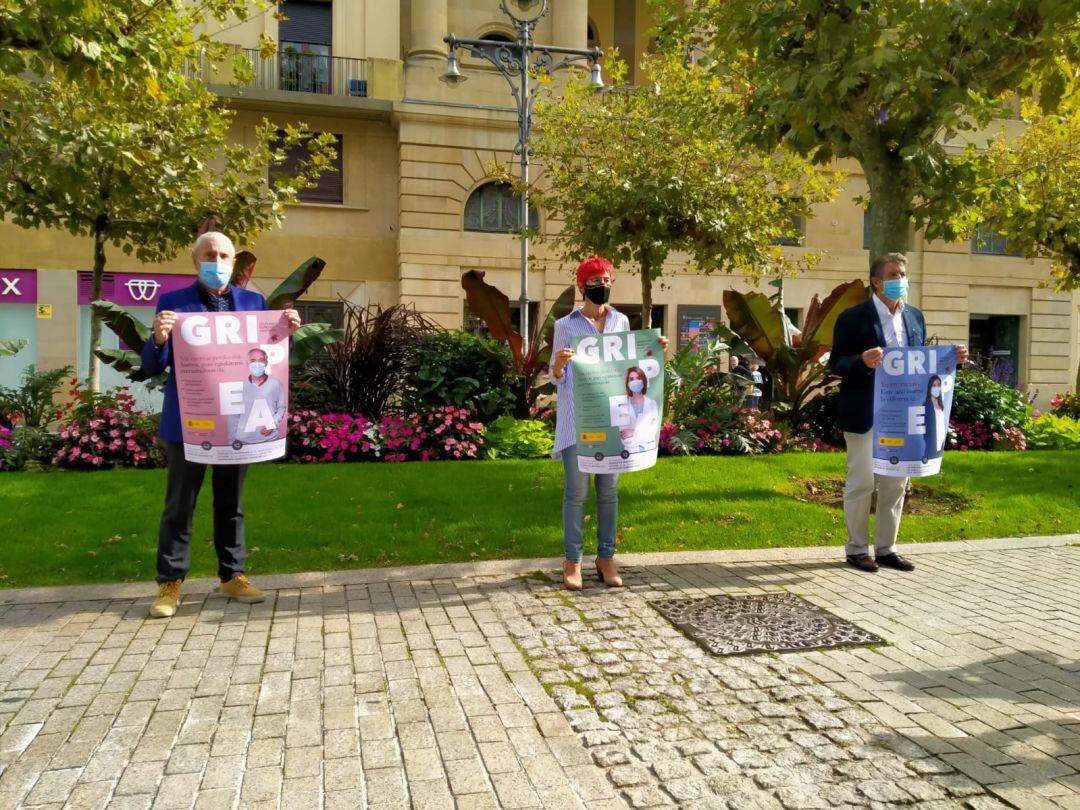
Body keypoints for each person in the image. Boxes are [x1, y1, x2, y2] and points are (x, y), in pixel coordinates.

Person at [140, 231, 302, 618]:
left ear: (234, 262)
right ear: (197, 262)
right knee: (179, 505)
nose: (217, 261)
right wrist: (158, 338)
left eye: (224, 255)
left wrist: (289, 335)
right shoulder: (174, 304)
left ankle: (232, 576)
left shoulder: (254, 302)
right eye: (210, 255)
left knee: (232, 504)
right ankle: (170, 583)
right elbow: (151, 367)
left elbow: (273, 356)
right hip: (188, 422)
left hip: (237, 421)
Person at [829, 252, 967, 573]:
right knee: (862, 481)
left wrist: (952, 358)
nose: (900, 280)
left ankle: (887, 548)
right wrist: (861, 361)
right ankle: (856, 549)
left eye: (903, 274)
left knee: (895, 482)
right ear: (876, 282)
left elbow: (923, 361)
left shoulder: (915, 317)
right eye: (893, 274)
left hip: (904, 414)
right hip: (865, 412)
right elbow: (835, 363)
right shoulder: (853, 317)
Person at [550, 257, 668, 591]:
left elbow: (631, 366)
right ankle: (572, 560)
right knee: (576, 492)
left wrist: (655, 350)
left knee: (608, 492)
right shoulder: (565, 326)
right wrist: (559, 365)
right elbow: (555, 378)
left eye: (606, 279)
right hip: (578, 421)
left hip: (613, 422)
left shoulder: (620, 321)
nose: (601, 285)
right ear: (581, 286)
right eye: (595, 280)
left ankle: (605, 557)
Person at [228, 348, 286, 445]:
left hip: (270, 439)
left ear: (266, 362)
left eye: (261, 360)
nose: (257, 364)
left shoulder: (276, 384)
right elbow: (234, 416)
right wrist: (232, 441)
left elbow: (281, 407)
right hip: (244, 441)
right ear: (247, 364)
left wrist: (272, 424)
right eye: (253, 361)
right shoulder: (239, 386)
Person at [619, 366, 660, 453]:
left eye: (638, 378)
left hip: (649, 451)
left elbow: (652, 433)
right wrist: (644, 431)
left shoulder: (652, 404)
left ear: (643, 381)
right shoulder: (622, 406)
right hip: (631, 453)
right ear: (627, 383)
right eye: (631, 379)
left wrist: (633, 432)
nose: (635, 381)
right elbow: (624, 437)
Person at [922, 375, 946, 461]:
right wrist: (929, 442)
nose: (937, 387)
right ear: (930, 387)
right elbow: (924, 429)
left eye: (938, 384)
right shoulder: (926, 405)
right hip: (931, 446)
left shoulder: (941, 404)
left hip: (941, 443)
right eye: (934, 385)